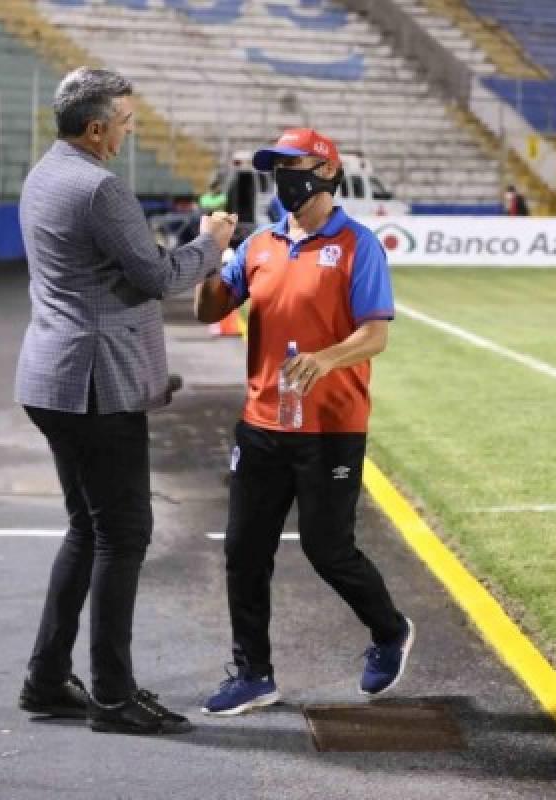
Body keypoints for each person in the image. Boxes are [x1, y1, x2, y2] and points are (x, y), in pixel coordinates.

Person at [13, 66, 237, 735]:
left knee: (88, 528)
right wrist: (211, 244)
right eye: (126, 123)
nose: (129, 133)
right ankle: (113, 696)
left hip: (53, 378)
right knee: (123, 534)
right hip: (95, 386)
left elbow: (109, 269)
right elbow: (155, 276)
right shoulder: (100, 187)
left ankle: (48, 679)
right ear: (96, 128)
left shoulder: (44, 174)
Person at [192, 128, 414, 717]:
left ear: (326, 171)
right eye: (277, 167)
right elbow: (208, 309)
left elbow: (377, 332)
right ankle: (253, 673)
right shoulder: (259, 245)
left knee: (327, 549)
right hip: (261, 423)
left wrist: (326, 357)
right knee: (244, 549)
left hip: (331, 425)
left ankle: (390, 630)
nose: (284, 175)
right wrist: (211, 254)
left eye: (294, 165)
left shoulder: (358, 245)